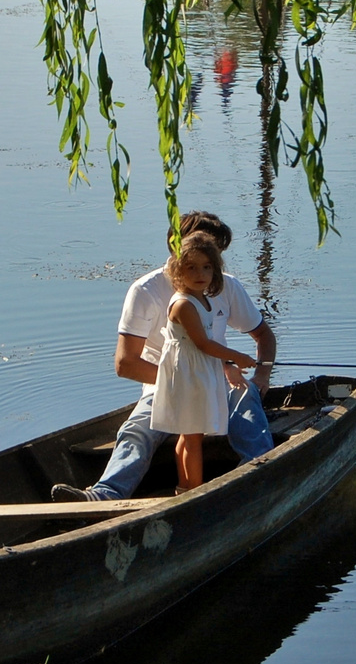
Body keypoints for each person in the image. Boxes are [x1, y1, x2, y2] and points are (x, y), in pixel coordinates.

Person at [52, 211, 277, 502]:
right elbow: (125, 363)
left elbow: (263, 335)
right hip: (165, 383)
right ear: (177, 249)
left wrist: (261, 375)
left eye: (213, 259)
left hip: (218, 377)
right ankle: (104, 496)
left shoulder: (226, 286)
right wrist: (180, 383)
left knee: (247, 405)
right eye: (198, 257)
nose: (206, 270)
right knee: (136, 430)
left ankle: (257, 473)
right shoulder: (146, 290)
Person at [150, 233, 257, 491]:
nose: (201, 273)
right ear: (177, 271)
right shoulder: (184, 304)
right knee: (193, 435)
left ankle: (184, 487)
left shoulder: (203, 298)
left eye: (207, 267)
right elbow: (203, 343)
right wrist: (235, 357)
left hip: (197, 369)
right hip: (187, 373)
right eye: (192, 267)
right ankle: (193, 490)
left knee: (190, 433)